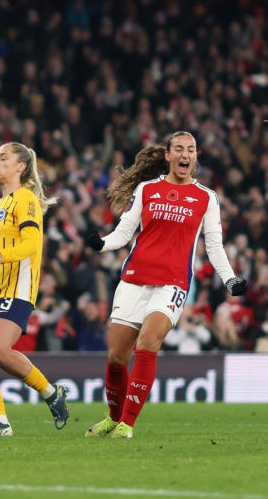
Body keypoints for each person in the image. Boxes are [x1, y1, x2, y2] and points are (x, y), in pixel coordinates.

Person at [84, 133, 246, 439]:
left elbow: (215, 246)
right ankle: (113, 417)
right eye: (179, 149)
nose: (186, 155)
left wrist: (230, 279)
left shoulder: (206, 198)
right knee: (117, 359)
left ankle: (127, 425)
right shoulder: (147, 189)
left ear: (196, 157)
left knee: (147, 345)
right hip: (133, 280)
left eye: (191, 150)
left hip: (171, 285)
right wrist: (101, 243)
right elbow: (123, 233)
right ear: (169, 155)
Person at [0, 142, 69, 437]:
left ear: (21, 166)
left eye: (4, 157)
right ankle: (0, 422)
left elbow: (33, 243)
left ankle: (51, 393)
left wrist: (4, 255)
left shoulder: (24, 198)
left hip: (17, 285)